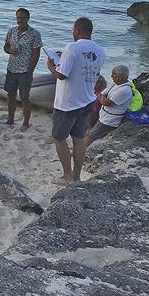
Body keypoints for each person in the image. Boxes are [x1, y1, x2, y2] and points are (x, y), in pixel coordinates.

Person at [47, 16, 105, 185]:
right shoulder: (100, 50)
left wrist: (51, 66)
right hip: (87, 99)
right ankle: (77, 176)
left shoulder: (72, 47)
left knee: (59, 138)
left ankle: (67, 176)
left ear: (77, 30)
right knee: (78, 138)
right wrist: (63, 56)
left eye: (73, 30)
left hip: (68, 102)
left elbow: (62, 75)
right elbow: (86, 67)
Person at [3, 8, 43, 130]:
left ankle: (25, 123)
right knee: (10, 95)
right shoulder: (12, 31)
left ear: (28, 18)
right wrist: (10, 50)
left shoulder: (34, 34)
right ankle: (10, 119)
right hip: (11, 68)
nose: (20, 20)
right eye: (18, 18)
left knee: (25, 97)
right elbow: (5, 47)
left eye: (22, 18)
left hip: (25, 70)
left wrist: (30, 70)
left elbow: (36, 54)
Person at [86, 65, 132, 145]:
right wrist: (103, 97)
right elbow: (103, 94)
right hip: (104, 115)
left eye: (114, 74)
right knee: (92, 131)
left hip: (109, 120)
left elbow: (105, 103)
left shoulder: (124, 90)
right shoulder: (115, 84)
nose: (111, 76)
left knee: (91, 135)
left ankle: (80, 151)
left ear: (122, 76)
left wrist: (102, 98)